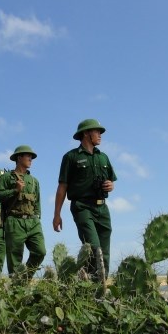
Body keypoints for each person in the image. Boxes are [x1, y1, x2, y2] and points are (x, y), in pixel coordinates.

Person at [53, 119, 117, 281]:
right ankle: (88, 286)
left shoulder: (103, 157)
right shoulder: (71, 157)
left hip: (102, 208)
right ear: (86, 133)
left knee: (105, 251)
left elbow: (111, 181)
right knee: (94, 248)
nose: (100, 135)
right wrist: (57, 214)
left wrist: (110, 186)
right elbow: (62, 187)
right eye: (97, 132)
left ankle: (100, 287)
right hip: (82, 207)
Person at [0, 145, 46, 280]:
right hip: (14, 220)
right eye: (27, 156)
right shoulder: (6, 177)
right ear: (19, 158)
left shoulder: (34, 181)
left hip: (33, 221)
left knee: (40, 251)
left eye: (31, 157)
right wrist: (15, 190)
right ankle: (16, 288)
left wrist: (37, 217)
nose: (30, 159)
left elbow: (38, 202)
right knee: (15, 257)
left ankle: (24, 278)